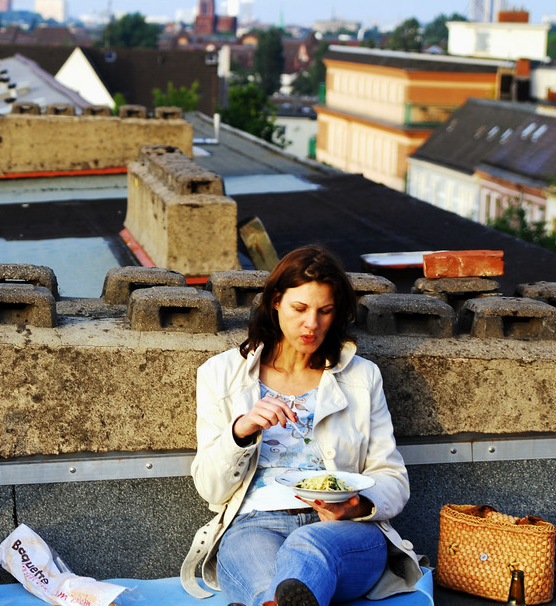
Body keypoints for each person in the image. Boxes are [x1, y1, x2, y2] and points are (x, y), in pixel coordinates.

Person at [180, 246, 424, 606]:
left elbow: (392, 477)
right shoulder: (220, 375)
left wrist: (355, 506)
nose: (312, 324)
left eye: (325, 311)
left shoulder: (361, 376)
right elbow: (211, 490)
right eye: (300, 309)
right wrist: (240, 431)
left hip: (343, 530)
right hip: (255, 523)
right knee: (272, 588)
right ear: (276, 302)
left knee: (306, 545)